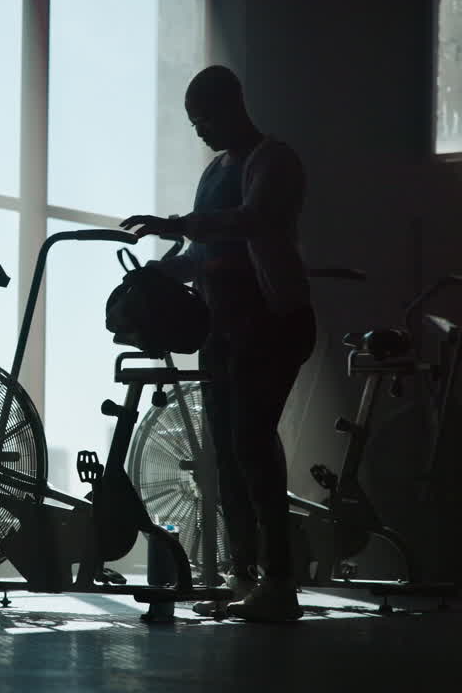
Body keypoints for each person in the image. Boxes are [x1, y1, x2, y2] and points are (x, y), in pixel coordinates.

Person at [119, 65, 315, 622]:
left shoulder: (275, 161)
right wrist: (160, 274)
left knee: (251, 442)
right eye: (193, 123)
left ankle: (280, 581)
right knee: (225, 454)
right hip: (222, 331)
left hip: (272, 323)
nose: (200, 131)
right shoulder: (213, 173)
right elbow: (203, 254)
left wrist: (176, 224)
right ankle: (245, 574)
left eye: (204, 119)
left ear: (232, 106)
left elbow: (251, 221)